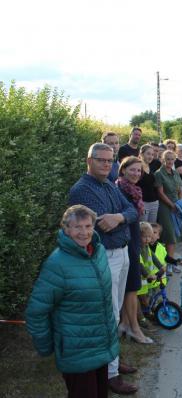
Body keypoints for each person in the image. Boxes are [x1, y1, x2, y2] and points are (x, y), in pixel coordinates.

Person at [25, 205, 119, 398]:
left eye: (87, 226)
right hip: (77, 352)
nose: (83, 233)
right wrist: (46, 346)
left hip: (102, 345)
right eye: (77, 227)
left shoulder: (98, 252)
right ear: (66, 229)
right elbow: (36, 311)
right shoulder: (57, 264)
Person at [68, 143, 138, 395]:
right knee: (109, 316)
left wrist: (118, 217)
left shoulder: (109, 184)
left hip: (122, 253)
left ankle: (113, 361)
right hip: (105, 257)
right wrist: (120, 219)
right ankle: (110, 374)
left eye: (110, 161)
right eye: (101, 160)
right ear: (89, 161)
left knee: (116, 311)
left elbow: (131, 211)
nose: (107, 164)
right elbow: (99, 226)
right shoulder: (81, 191)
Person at [116, 156, 153, 344]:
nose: (136, 173)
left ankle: (124, 323)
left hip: (134, 239)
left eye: (139, 170)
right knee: (132, 287)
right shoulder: (119, 189)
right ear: (123, 170)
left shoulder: (133, 190)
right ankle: (134, 329)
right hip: (127, 241)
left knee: (129, 286)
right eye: (132, 170)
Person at [155, 149, 182, 272]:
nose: (170, 162)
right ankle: (166, 266)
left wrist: (180, 204)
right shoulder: (159, 173)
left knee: (174, 236)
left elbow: (180, 190)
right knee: (169, 236)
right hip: (165, 207)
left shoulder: (175, 172)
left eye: (172, 159)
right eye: (168, 159)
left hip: (176, 207)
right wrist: (172, 205)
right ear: (163, 160)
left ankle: (170, 265)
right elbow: (160, 193)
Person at [138, 144, 160, 223]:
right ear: (141, 154)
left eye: (152, 154)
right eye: (148, 154)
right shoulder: (137, 167)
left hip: (154, 202)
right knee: (144, 230)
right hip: (143, 203)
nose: (151, 157)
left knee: (152, 229)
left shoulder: (151, 166)